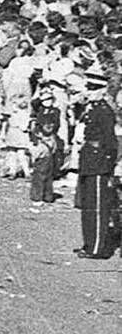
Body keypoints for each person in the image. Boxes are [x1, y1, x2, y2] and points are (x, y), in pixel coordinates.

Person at [75, 69, 118, 259]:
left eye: (93, 88)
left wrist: (108, 165)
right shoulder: (92, 108)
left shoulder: (104, 111)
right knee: (89, 206)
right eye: (88, 87)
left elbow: (110, 142)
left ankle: (97, 248)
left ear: (102, 90)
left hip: (99, 162)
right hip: (89, 159)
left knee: (98, 207)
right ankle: (89, 243)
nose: (88, 91)